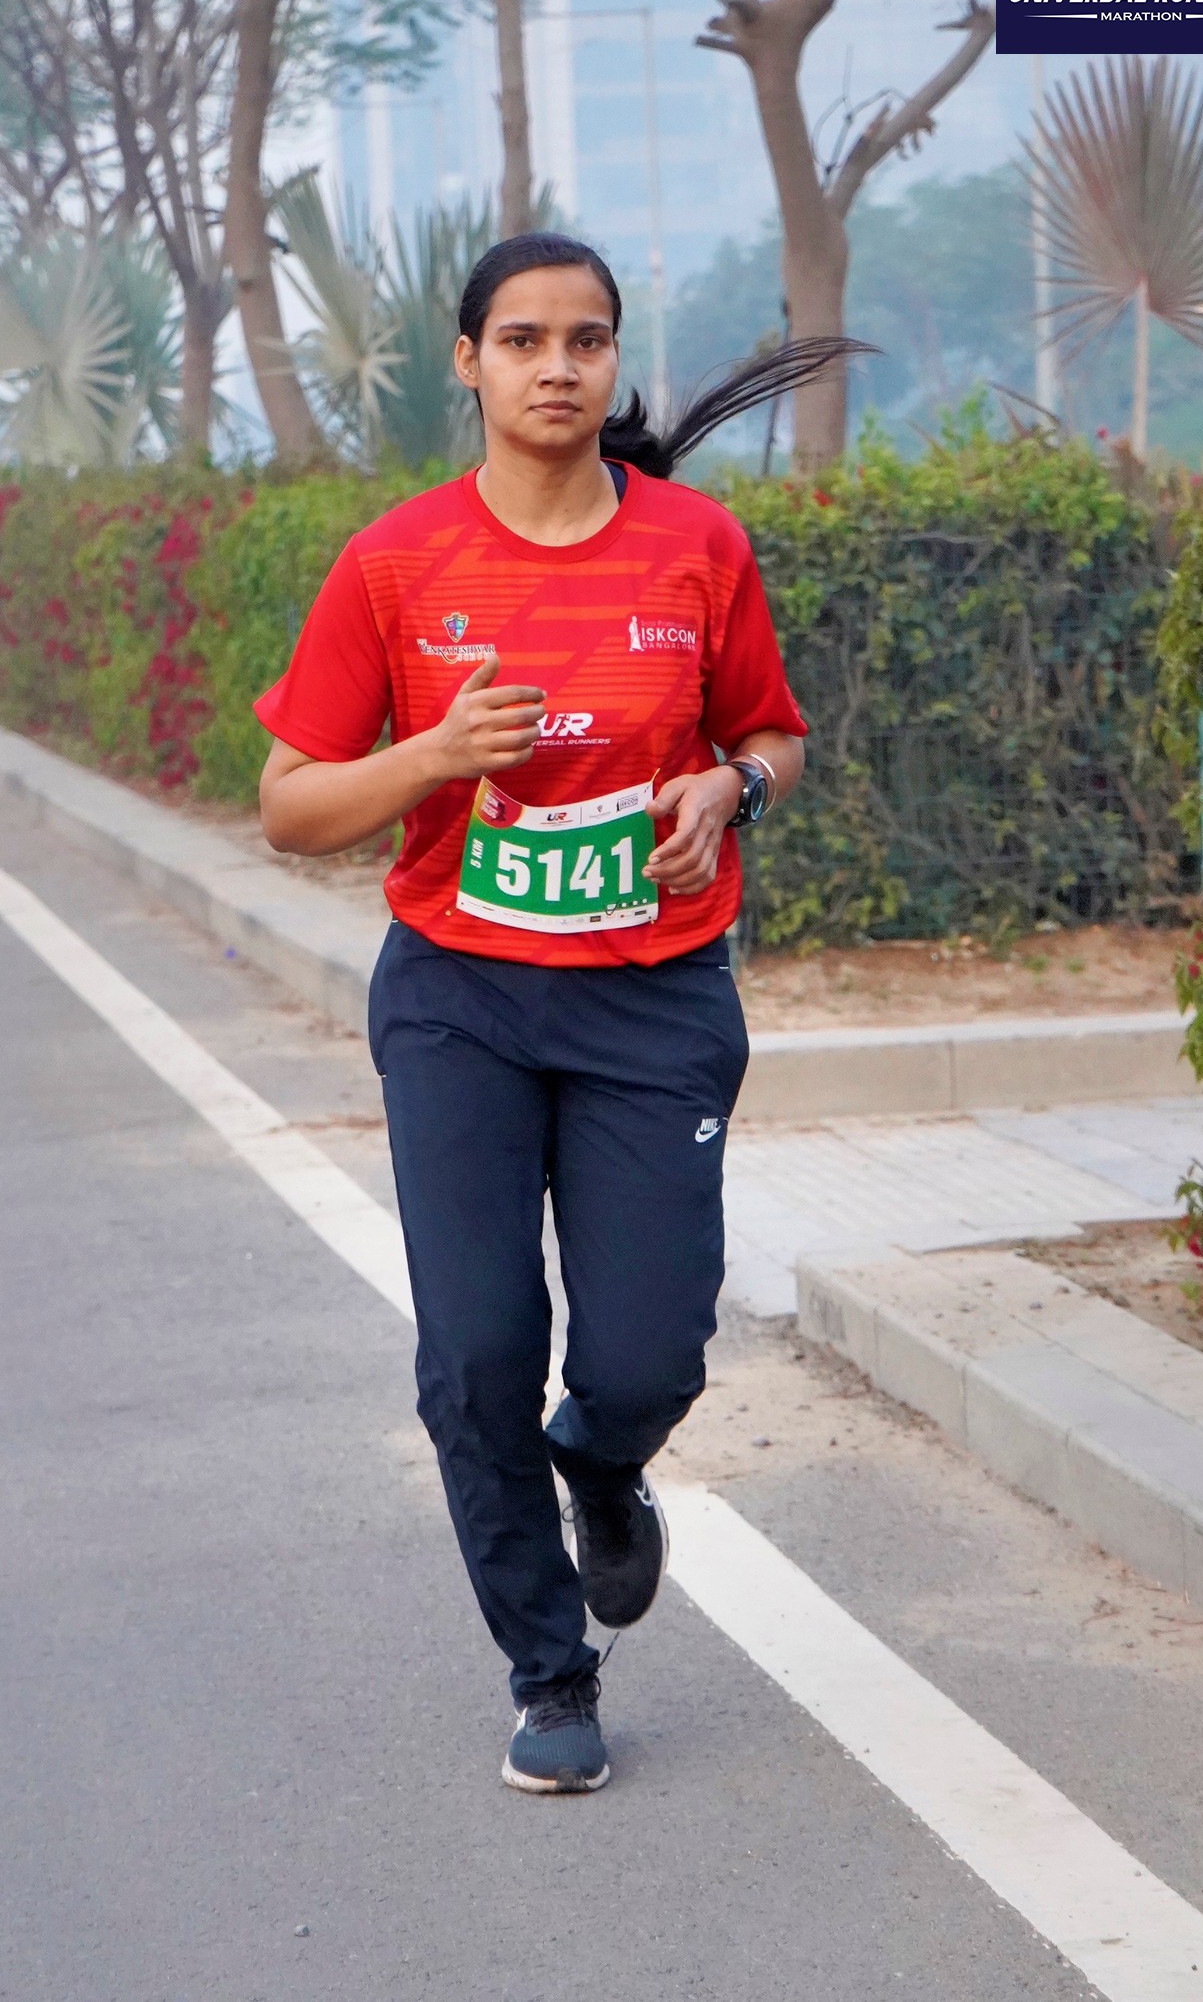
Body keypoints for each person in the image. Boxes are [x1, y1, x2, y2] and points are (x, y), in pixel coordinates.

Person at [255, 232, 860, 1794]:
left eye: (585, 338)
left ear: (611, 361)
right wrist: (433, 755)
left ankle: (599, 1454)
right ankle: (550, 1668)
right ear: (469, 363)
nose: (556, 365)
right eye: (521, 339)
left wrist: (728, 793)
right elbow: (290, 804)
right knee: (475, 1354)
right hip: (460, 999)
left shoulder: (696, 548)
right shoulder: (396, 564)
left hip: (655, 1000)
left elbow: (776, 736)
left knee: (650, 1353)